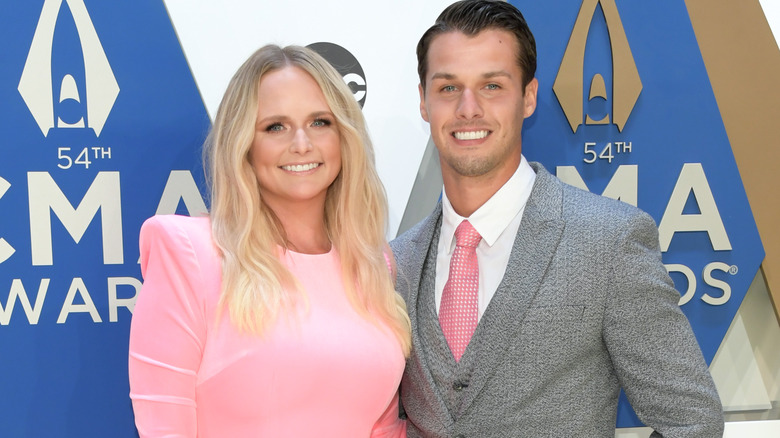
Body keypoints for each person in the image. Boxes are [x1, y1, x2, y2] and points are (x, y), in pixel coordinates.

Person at [390, 1, 724, 437]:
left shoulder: (609, 241)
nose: (468, 109)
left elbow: (692, 423)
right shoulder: (396, 263)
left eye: (492, 86)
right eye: (448, 88)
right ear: (423, 101)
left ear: (528, 97)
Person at [128, 44, 411, 437]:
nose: (301, 144)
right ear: (243, 143)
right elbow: (164, 426)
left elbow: (383, 426)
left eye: (320, 122)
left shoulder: (373, 262)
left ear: (345, 136)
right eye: (275, 126)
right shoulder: (190, 253)